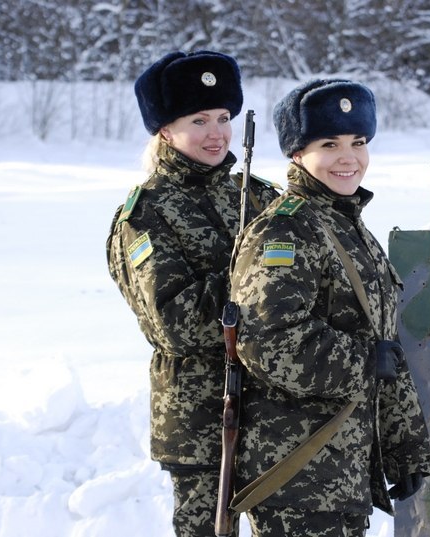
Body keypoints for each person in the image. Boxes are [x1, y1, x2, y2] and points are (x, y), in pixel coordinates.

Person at [229, 79, 430, 536]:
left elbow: (385, 346)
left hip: (341, 470)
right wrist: (363, 360)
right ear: (296, 154)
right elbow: (269, 343)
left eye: (359, 142)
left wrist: (405, 445)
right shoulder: (286, 232)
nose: (349, 157)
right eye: (330, 144)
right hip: (296, 474)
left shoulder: (347, 226)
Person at [105, 50, 279, 537]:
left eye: (224, 117)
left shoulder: (260, 196)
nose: (216, 132)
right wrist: (254, 276)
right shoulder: (145, 215)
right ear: (164, 129)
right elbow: (175, 322)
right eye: (198, 119)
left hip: (278, 409)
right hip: (202, 417)